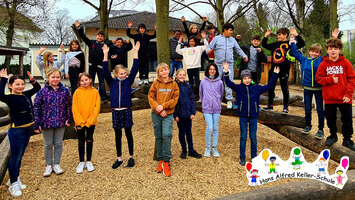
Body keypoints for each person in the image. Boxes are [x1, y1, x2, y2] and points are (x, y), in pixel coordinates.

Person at [223, 63, 279, 165]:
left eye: (248, 78)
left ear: (251, 78)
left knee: (253, 137)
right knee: (243, 137)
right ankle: (242, 158)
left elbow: (269, 86)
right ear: (242, 79)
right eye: (245, 78)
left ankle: (254, 158)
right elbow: (228, 83)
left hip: (253, 116)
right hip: (243, 116)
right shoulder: (239, 87)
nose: (247, 80)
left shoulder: (256, 88)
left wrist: (275, 75)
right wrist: (226, 72)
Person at [291, 29, 340, 139]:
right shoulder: (304, 60)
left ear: (319, 53)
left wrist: (335, 38)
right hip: (307, 88)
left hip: (319, 88)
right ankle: (308, 125)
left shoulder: (322, 60)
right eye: (313, 51)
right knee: (307, 108)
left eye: (317, 52)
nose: (314, 53)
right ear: (309, 51)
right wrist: (292, 41)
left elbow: (331, 51)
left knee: (319, 109)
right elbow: (295, 52)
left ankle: (321, 129)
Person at [0, 69, 41, 197]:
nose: (20, 86)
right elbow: (0, 94)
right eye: (17, 84)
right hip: (17, 131)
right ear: (11, 86)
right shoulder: (10, 98)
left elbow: (37, 87)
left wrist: (32, 79)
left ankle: (15, 177)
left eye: (22, 84)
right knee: (15, 157)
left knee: (20, 156)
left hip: (27, 129)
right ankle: (13, 184)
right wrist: (3, 79)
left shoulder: (26, 94)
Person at [103, 42, 140, 169]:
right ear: (116, 74)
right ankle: (119, 158)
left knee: (128, 132)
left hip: (127, 110)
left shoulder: (128, 81)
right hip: (116, 111)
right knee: (117, 134)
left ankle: (131, 156)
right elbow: (104, 70)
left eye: (124, 73)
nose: (123, 75)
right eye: (121, 73)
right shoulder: (112, 82)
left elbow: (135, 68)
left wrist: (135, 52)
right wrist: (105, 54)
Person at [315, 38, 355, 151]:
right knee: (330, 118)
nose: (333, 51)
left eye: (335, 49)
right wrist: (330, 80)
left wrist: (348, 94)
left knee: (347, 119)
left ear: (339, 50)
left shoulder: (345, 63)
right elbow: (318, 78)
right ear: (327, 50)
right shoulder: (323, 64)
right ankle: (333, 136)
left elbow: (352, 79)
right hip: (330, 98)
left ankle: (347, 139)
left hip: (345, 98)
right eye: (330, 49)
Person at [34, 68, 72, 177]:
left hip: (60, 120)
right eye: (53, 77)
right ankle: (48, 165)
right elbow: (36, 107)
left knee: (59, 143)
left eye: (57, 77)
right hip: (46, 121)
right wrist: (37, 123)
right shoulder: (42, 92)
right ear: (48, 78)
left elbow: (68, 105)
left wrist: (69, 119)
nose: (55, 79)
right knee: (48, 144)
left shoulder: (64, 91)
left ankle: (57, 164)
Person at [262, 27, 305, 113]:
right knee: (270, 87)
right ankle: (270, 105)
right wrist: (266, 36)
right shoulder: (275, 44)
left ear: (285, 35)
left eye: (280, 35)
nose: (278, 36)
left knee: (284, 88)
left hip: (284, 70)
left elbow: (302, 43)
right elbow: (264, 45)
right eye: (277, 35)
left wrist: (296, 34)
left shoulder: (290, 44)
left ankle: (286, 107)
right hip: (273, 69)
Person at [206, 23, 248, 109]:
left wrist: (244, 56)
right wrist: (208, 51)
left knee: (228, 82)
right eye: (230, 30)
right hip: (218, 64)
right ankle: (214, 99)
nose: (232, 32)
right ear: (225, 30)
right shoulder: (216, 39)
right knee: (215, 81)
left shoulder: (232, 40)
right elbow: (209, 47)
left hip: (229, 64)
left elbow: (238, 49)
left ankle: (229, 100)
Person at [148, 63, 179, 177]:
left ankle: (166, 161)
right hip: (156, 113)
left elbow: (175, 99)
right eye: (162, 71)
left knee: (167, 135)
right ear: (158, 73)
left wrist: (164, 106)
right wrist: (159, 109)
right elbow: (151, 97)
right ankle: (160, 160)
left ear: (169, 70)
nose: (164, 72)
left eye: (166, 69)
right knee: (159, 136)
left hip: (168, 114)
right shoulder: (155, 84)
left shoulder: (174, 84)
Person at [72, 73, 101, 173]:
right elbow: (75, 108)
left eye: (86, 80)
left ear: (90, 80)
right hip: (80, 122)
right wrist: (79, 122)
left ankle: (88, 160)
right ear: (79, 82)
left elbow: (97, 107)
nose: (84, 82)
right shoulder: (77, 92)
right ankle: (81, 161)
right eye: (82, 80)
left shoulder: (95, 92)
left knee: (89, 140)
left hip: (91, 122)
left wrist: (90, 121)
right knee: (81, 141)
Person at [75, 20, 107, 101]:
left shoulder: (105, 45)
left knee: (101, 82)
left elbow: (108, 55)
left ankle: (103, 98)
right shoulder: (91, 43)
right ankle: (90, 95)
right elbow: (83, 36)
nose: (100, 37)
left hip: (100, 66)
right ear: (96, 36)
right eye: (99, 36)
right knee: (90, 81)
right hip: (92, 66)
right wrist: (79, 28)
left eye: (102, 37)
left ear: (104, 38)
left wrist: (112, 56)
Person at [174, 69, 202, 159]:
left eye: (183, 75)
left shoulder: (188, 86)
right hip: (179, 114)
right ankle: (184, 150)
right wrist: (175, 115)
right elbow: (173, 102)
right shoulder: (174, 86)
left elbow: (192, 100)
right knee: (181, 133)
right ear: (176, 75)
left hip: (188, 114)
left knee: (189, 132)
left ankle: (191, 150)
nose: (182, 76)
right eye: (180, 75)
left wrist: (193, 112)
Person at [199, 63, 224, 157]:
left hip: (217, 108)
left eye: (214, 69)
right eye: (210, 69)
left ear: (216, 71)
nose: (212, 71)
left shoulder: (220, 82)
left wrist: (217, 101)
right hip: (207, 108)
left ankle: (214, 148)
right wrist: (205, 102)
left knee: (215, 128)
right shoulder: (203, 82)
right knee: (209, 127)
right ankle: (208, 147)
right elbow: (201, 94)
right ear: (207, 70)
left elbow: (221, 95)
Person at [126, 21, 156, 86]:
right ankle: (141, 79)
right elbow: (128, 34)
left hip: (146, 54)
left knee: (146, 66)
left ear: (145, 29)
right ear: (139, 29)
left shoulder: (147, 36)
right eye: (141, 28)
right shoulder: (136, 36)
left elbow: (154, 36)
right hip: (138, 54)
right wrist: (129, 27)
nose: (142, 29)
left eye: (143, 28)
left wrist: (156, 29)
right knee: (140, 67)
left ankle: (146, 79)